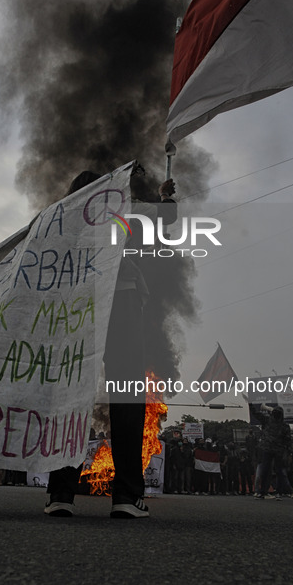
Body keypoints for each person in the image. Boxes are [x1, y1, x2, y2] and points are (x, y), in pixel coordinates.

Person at [45, 170, 176, 519]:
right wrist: (163, 197)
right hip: (121, 303)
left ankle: (60, 493)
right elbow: (164, 219)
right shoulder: (120, 210)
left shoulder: (60, 218)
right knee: (127, 396)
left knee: (72, 396)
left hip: (76, 309)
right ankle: (126, 497)